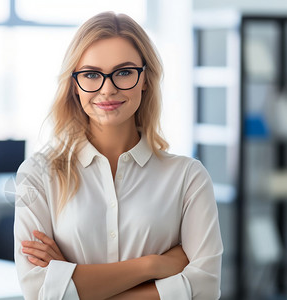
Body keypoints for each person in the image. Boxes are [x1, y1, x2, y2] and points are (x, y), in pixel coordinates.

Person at [13, 11, 223, 300]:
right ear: (75, 84)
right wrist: (152, 265)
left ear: (145, 79)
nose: (107, 89)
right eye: (91, 74)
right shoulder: (37, 174)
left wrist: (71, 280)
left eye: (124, 72)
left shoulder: (188, 177)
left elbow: (206, 288)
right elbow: (37, 290)